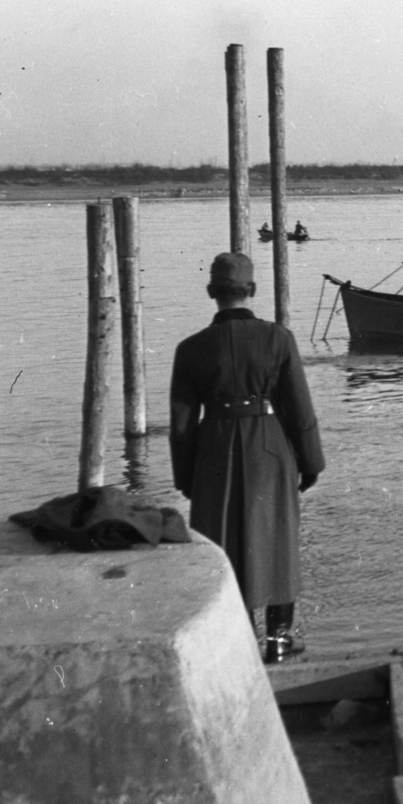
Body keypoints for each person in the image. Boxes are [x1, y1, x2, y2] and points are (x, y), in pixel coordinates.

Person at [170, 252, 324, 664]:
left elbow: (181, 425)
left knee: (222, 543)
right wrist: (311, 463)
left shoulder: (190, 349)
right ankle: (278, 641)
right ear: (252, 291)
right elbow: (300, 410)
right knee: (276, 540)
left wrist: (186, 478)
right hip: (270, 447)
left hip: (214, 450)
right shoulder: (279, 339)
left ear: (210, 293)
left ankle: (235, 640)